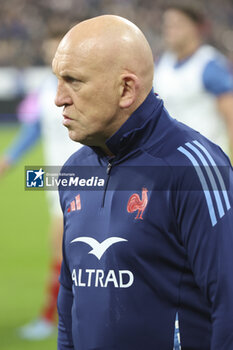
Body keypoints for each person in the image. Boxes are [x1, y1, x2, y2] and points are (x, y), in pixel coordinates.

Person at [53, 15, 233, 350]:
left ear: (125, 89)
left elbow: (229, 305)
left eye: (73, 81)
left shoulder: (195, 169)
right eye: (58, 80)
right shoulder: (73, 172)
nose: (59, 98)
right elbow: (70, 304)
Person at [0, 34, 82, 340]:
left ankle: (50, 318)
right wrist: (8, 159)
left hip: (83, 179)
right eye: (49, 52)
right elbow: (35, 127)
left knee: (63, 249)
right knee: (65, 252)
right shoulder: (48, 88)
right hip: (54, 179)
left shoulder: (82, 85)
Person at [154, 3, 233, 158]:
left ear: (196, 28)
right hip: (171, 163)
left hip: (207, 162)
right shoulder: (161, 66)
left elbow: (230, 116)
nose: (170, 30)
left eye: (177, 24)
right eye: (167, 25)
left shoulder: (209, 65)